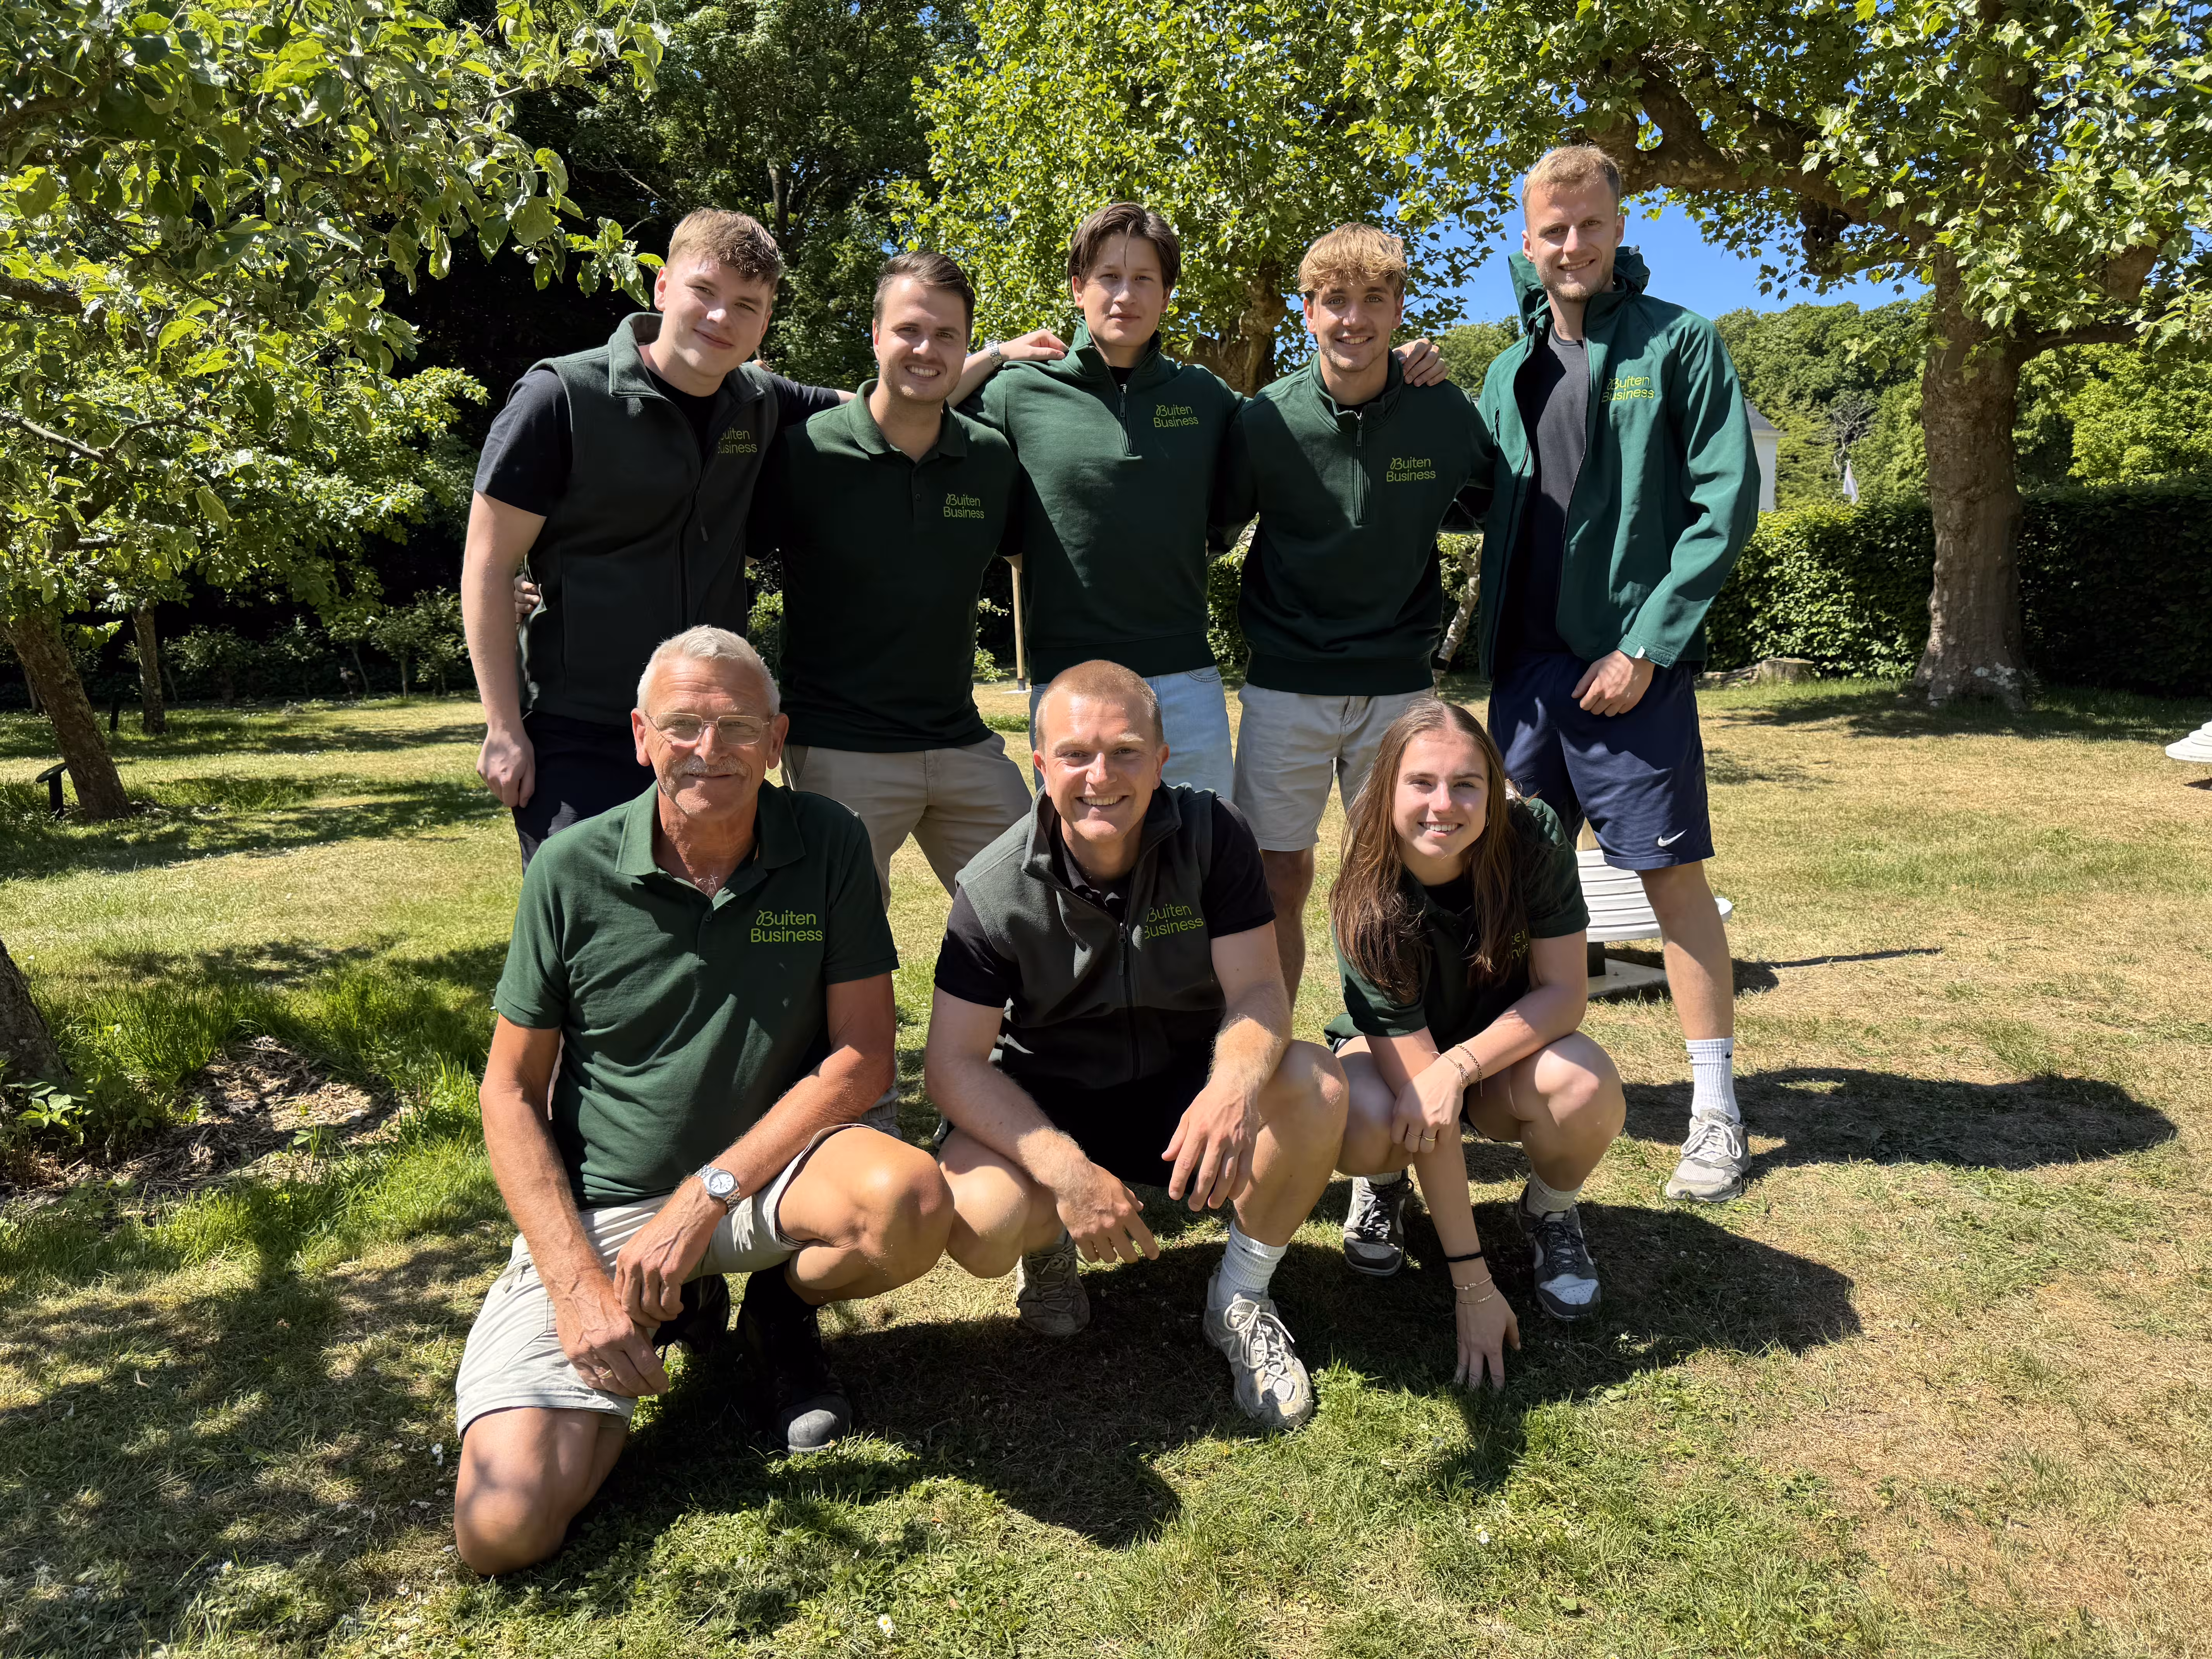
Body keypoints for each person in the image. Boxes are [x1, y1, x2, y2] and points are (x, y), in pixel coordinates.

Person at [452, 627, 954, 1575]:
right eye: (684, 725)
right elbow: (510, 1093)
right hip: (606, 1211)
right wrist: (575, 1291)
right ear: (642, 736)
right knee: (502, 1531)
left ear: (776, 740)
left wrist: (705, 1198)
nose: (709, 749)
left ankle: (774, 1309)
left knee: (910, 1204)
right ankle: (648, 1330)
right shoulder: (570, 869)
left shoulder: (829, 843)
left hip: (765, 1182)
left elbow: (863, 1057)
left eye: (737, 726)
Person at [461, 208, 1052, 864]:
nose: (721, 318)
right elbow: (487, 564)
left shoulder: (761, 401)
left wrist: (997, 355)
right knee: (587, 928)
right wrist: (503, 727)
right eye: (704, 292)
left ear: (765, 320)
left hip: (715, 732)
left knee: (714, 936)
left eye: (746, 305)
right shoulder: (562, 398)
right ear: (662, 288)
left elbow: (898, 400)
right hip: (583, 726)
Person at [924, 660, 1348, 1431]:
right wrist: (1063, 1171)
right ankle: (1046, 1242)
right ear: (1040, 765)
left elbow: (1259, 991)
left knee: (1318, 1084)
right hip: (1051, 1103)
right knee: (981, 1223)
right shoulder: (990, 890)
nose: (1101, 776)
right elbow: (951, 1064)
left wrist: (1230, 1090)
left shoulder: (1214, 834)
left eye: (1125, 752)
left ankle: (1241, 1300)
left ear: (1161, 761)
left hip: (1186, 1090)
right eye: (1076, 755)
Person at [1461, 145, 1760, 1203]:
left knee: (1669, 882)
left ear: (1619, 226)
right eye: (1553, 230)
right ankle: (1484, 1083)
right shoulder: (1508, 368)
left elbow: (1723, 504)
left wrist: (1648, 644)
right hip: (1526, 678)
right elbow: (1474, 500)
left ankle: (1716, 1111)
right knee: (1502, 887)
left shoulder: (1679, 342)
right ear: (1528, 240)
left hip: (1633, 666)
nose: (1572, 246)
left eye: (1590, 225)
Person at [962, 203, 1449, 798]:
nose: (1124, 295)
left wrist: (1391, 365)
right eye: (1108, 278)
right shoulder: (1018, 390)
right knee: (1083, 869)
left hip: (1185, 678)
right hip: (1068, 677)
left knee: (1204, 860)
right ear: (1077, 288)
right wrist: (990, 356)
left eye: (1144, 279)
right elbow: (917, 415)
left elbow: (1296, 432)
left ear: (1167, 294)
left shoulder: (1205, 397)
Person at [1218, 224, 1491, 1000]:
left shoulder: (1441, 412)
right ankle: (1270, 1059)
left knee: (1402, 876)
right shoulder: (1265, 420)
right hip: (1285, 685)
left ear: (1400, 309)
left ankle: (1384, 1052)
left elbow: (1493, 503)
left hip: (1398, 689)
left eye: (1375, 299)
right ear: (1307, 312)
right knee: (1277, 876)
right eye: (1335, 301)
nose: (1354, 319)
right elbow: (1213, 529)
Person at [1327, 699, 1625, 1389]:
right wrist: (1474, 1284)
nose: (1444, 805)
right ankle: (1383, 1182)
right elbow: (1423, 1101)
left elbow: (1564, 993)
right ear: (1387, 790)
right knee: (1367, 1118)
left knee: (1583, 1082)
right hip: (1394, 1058)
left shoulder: (1535, 836)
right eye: (1422, 783)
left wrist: (1461, 1066)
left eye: (1467, 784)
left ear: (1494, 790)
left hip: (1496, 1062)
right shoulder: (1364, 887)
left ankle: (1549, 1210)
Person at [751, 251, 1032, 901]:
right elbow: (715, 557)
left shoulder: (989, 459)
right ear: (875, 335)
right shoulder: (806, 452)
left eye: (946, 335)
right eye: (909, 330)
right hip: (841, 749)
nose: (926, 349)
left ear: (966, 348)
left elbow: (1034, 561)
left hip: (961, 740)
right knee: (842, 946)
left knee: (1039, 903)